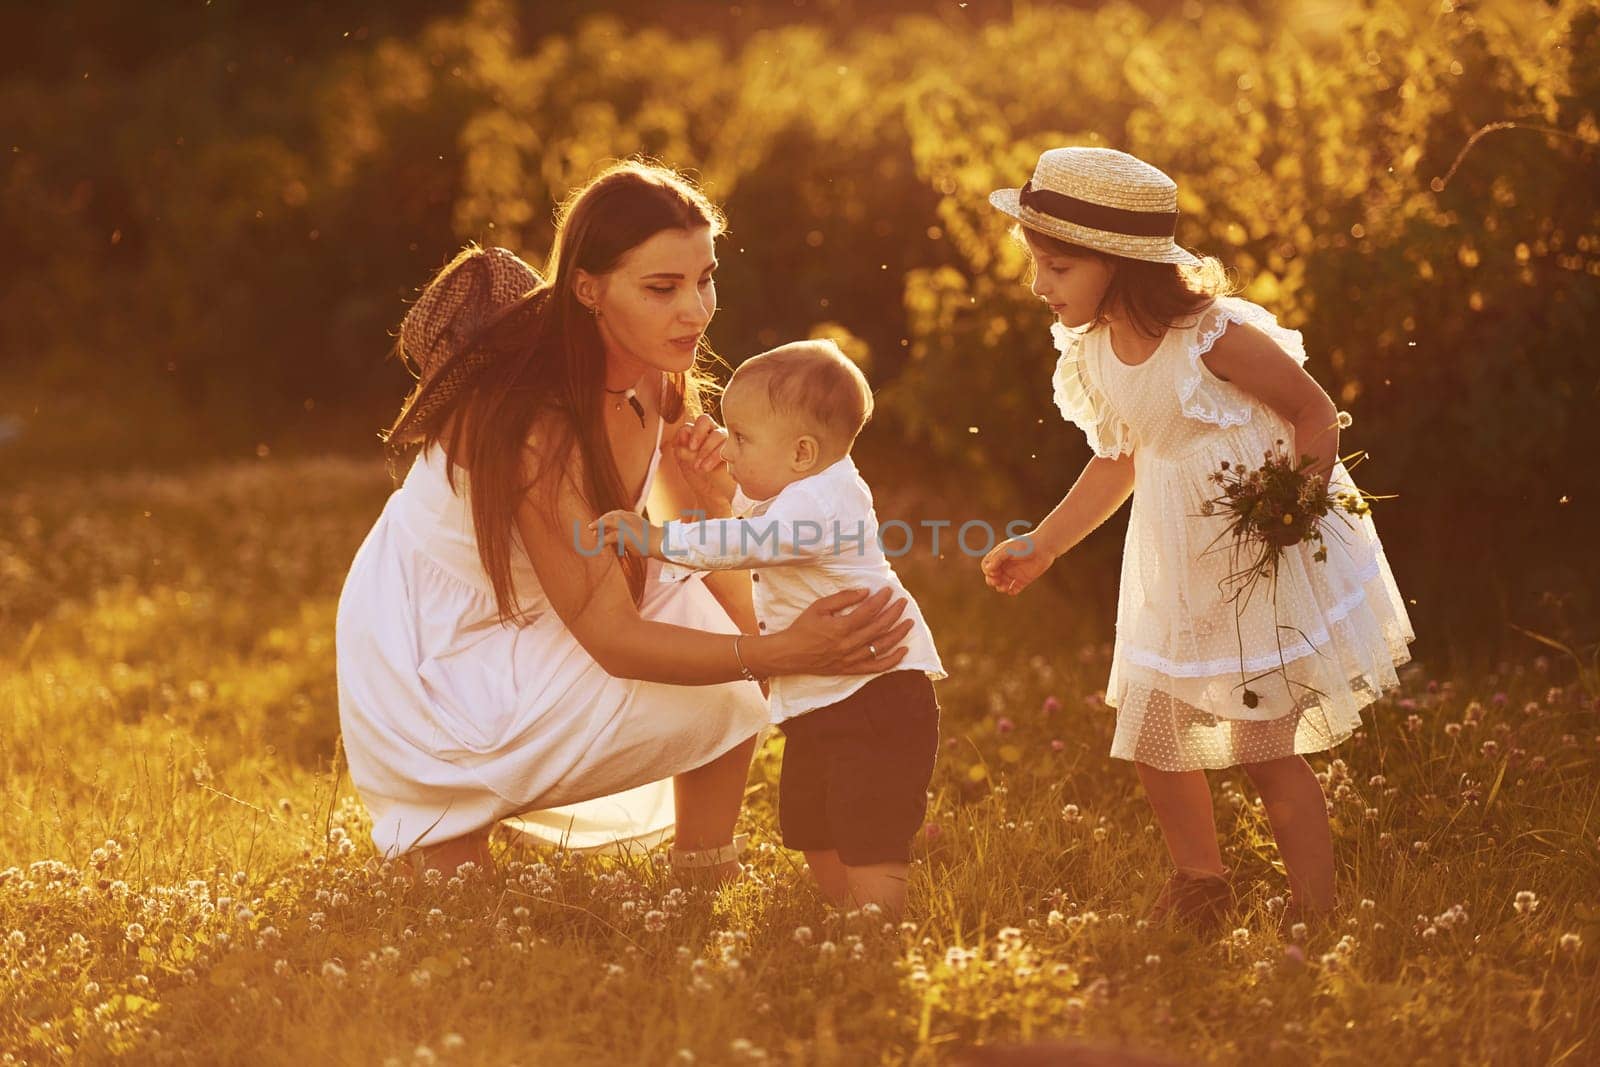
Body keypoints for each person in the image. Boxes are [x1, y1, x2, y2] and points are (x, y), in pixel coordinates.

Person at [335, 161, 916, 882]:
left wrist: (715, 499)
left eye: (704, 277)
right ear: (589, 289)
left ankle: (705, 863)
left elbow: (716, 558)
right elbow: (611, 635)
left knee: (717, 629)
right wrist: (784, 652)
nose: (696, 311)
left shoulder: (656, 364)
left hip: (559, 602)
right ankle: (458, 803)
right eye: (662, 288)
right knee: (448, 883)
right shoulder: (534, 428)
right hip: (439, 644)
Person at [978, 147, 1413, 925]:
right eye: (1037, 264)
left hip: (1257, 548)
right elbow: (1120, 459)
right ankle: (1202, 882)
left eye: (1056, 267)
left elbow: (1314, 411)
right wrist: (1043, 543)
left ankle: (1314, 909)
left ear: (1118, 264)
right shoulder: (1095, 352)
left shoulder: (1211, 337)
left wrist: (1296, 508)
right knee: (1153, 730)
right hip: (1175, 555)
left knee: (1263, 747)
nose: (1038, 285)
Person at [594, 339, 946, 917]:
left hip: (876, 695)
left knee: (868, 823)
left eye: (741, 438)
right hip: (823, 695)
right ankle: (845, 914)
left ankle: (877, 925)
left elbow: (750, 542)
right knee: (815, 822)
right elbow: (761, 522)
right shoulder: (802, 494)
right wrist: (721, 491)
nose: (728, 449)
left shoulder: (825, 502)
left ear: (803, 452)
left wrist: (655, 538)